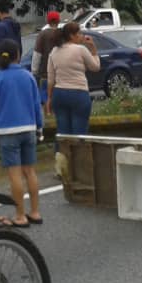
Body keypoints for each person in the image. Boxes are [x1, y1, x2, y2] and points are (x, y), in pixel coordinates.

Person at [0, 39, 43, 228]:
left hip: (8, 130)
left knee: (15, 174)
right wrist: (39, 128)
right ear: (17, 55)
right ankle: (35, 211)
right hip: (30, 128)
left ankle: (20, 215)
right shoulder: (28, 76)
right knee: (30, 171)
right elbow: (36, 105)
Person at [47, 21, 99, 177]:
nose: (82, 36)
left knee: (62, 133)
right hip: (78, 94)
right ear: (71, 35)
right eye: (79, 34)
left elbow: (51, 79)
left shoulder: (54, 52)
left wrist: (49, 99)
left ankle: (61, 168)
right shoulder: (81, 50)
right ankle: (79, 168)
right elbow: (95, 67)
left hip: (59, 94)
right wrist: (94, 49)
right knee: (79, 133)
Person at [30, 11, 60, 93]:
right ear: (58, 21)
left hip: (45, 74)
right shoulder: (62, 34)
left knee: (45, 100)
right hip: (60, 76)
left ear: (48, 21)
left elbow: (37, 54)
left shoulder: (43, 34)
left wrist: (34, 71)